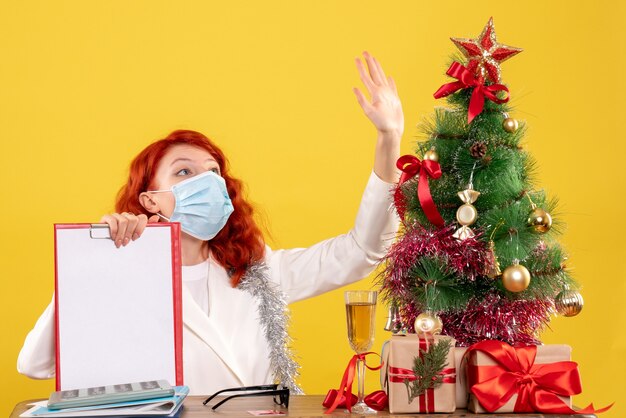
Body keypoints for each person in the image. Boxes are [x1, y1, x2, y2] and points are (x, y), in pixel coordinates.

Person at [17, 52, 403, 395]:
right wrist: (94, 256)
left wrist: (389, 139)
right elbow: (36, 364)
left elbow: (362, 251)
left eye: (213, 172)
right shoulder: (120, 274)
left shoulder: (259, 272)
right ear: (151, 198)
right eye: (184, 172)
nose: (207, 183)